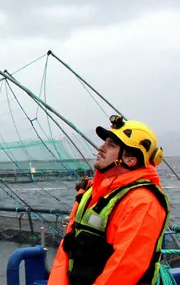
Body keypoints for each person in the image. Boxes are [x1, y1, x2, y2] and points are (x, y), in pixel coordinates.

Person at [48, 115, 171, 285]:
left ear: (130, 159)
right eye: (105, 142)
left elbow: (124, 269)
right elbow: (66, 250)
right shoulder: (91, 193)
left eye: (111, 145)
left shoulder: (143, 202)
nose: (100, 148)